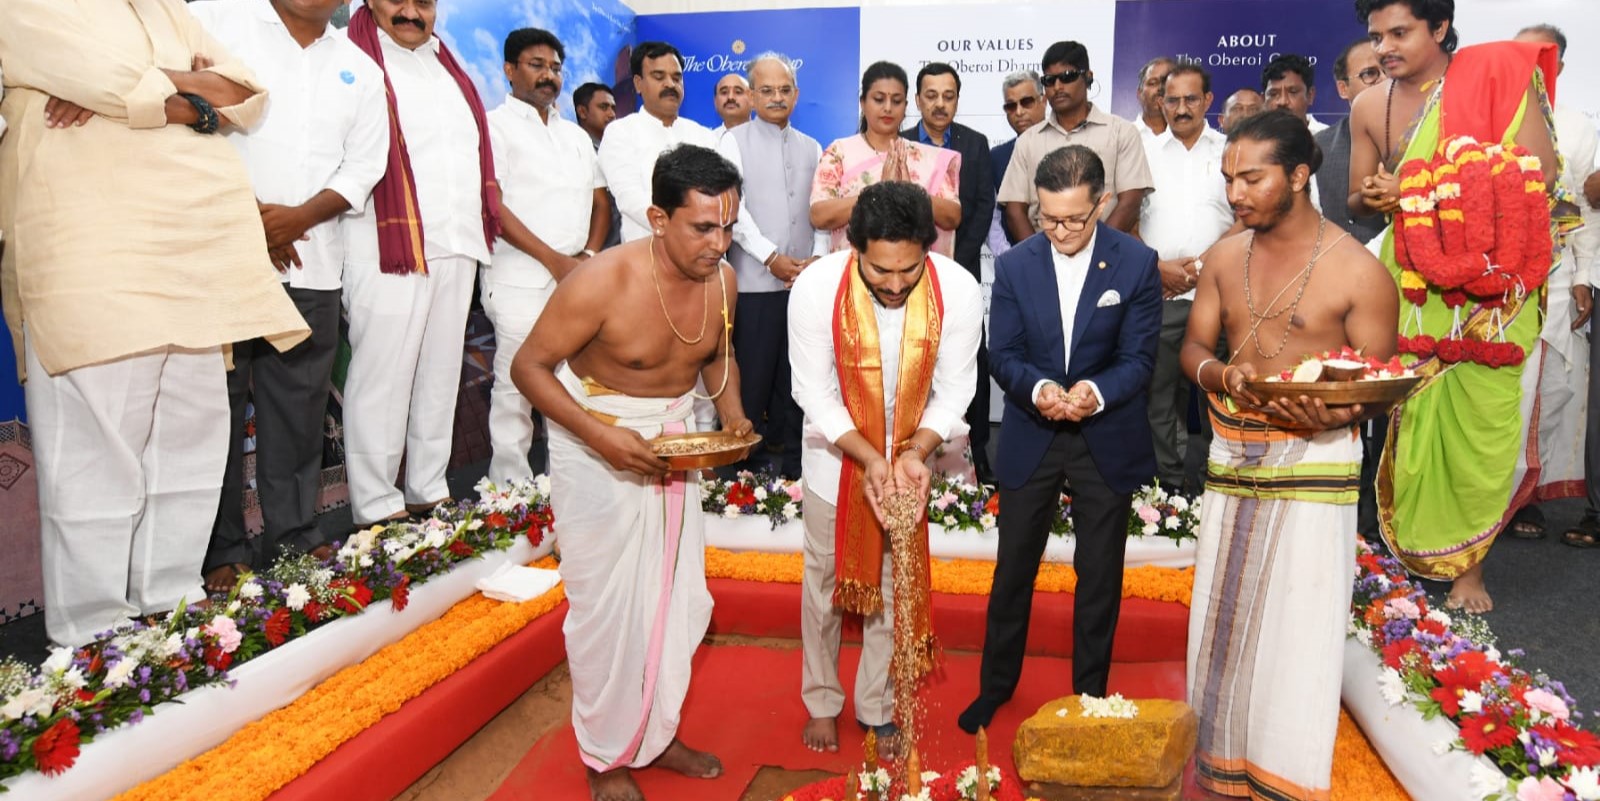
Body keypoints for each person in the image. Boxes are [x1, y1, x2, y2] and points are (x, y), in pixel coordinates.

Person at [0, 0, 310, 646]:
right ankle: (93, 644)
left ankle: (171, 618)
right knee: (96, 451)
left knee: (190, 441)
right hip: (90, 240)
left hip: (197, 245)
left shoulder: (169, 7)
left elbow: (247, 93)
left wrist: (154, 88)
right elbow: (112, 79)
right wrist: (194, 96)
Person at [511, 144, 751, 801]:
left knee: (673, 601)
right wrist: (600, 435)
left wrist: (731, 418)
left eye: (729, 226)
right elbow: (528, 367)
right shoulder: (600, 282)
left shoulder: (723, 279)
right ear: (657, 217)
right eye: (704, 227)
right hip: (596, 441)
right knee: (605, 608)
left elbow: (716, 351)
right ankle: (604, 752)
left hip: (674, 440)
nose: (719, 242)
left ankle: (656, 731)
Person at [1181, 109, 1398, 801]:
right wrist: (1221, 375)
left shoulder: (1358, 271)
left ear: (1300, 175)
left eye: (1251, 177)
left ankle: (1284, 780)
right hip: (1235, 457)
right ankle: (1218, 769)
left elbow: (1381, 385)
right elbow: (1193, 349)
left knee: (1298, 627)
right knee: (1223, 615)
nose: (1235, 192)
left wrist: (1339, 408)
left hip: (1317, 464)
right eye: (1228, 178)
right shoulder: (1223, 254)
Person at [1348, 0, 1561, 613]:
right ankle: (1403, 544)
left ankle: (1469, 565)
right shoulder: (1369, 105)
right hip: (1411, 282)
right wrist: (1379, 194)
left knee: (1484, 425)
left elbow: (1537, 176)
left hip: (1491, 288)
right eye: (1376, 36)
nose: (1385, 47)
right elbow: (1359, 201)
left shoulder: (1492, 77)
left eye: (1400, 32)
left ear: (1439, 28)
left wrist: (1415, 187)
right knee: (1408, 418)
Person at [960, 145, 1162, 734]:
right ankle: (995, 688)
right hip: (1034, 430)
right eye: (1049, 218)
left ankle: (1090, 696)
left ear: (1102, 203)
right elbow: (1004, 354)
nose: (1062, 231)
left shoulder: (1135, 262)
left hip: (1106, 432)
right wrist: (1042, 388)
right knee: (1012, 570)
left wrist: (1094, 393)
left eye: (1075, 218)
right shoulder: (1019, 264)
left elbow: (1140, 358)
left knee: (1100, 574)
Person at [188, 0, 388, 592]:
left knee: (298, 420)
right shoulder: (215, 21)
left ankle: (293, 544)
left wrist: (295, 220)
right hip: (218, 254)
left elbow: (363, 168)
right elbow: (191, 123)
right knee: (211, 417)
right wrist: (249, 221)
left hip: (312, 265)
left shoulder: (361, 69)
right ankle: (220, 550)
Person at [789, 181, 982, 758]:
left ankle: (877, 706)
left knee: (894, 588)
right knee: (825, 586)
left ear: (931, 248)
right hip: (835, 459)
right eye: (880, 272)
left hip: (912, 462)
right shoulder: (817, 287)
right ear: (854, 250)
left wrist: (914, 454)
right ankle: (822, 699)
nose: (896, 285)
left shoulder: (959, 289)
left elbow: (955, 391)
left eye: (909, 270)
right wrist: (871, 457)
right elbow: (813, 392)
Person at [340, 0, 500, 529]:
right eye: (396, 0)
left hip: (456, 241)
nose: (410, 11)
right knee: (382, 375)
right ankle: (375, 502)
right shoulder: (352, 58)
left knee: (439, 375)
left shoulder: (451, 68)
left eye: (424, 2)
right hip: (386, 240)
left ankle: (428, 488)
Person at [482, 28, 610, 486]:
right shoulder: (492, 126)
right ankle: (510, 494)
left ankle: (567, 486)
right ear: (510, 70)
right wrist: (554, 260)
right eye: (536, 65)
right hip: (519, 278)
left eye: (555, 68)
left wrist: (590, 254)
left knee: (573, 388)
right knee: (516, 386)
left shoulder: (575, 136)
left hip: (576, 278)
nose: (548, 76)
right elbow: (493, 206)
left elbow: (600, 200)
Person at [1508, 24, 1600, 545]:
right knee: (1506, 392)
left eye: (1540, 57)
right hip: (1497, 285)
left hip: (1559, 275)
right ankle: (1489, 498)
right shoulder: (1492, 115)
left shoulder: (1576, 126)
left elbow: (1587, 208)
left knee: (1553, 389)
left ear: (1558, 67)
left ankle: (1529, 499)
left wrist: (1585, 276)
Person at [715, 52, 825, 479]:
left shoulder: (813, 146)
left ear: (796, 95)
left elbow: (819, 209)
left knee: (796, 380)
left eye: (784, 90)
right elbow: (733, 210)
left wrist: (814, 257)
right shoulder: (732, 140)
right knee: (754, 378)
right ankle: (740, 476)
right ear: (752, 94)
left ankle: (796, 472)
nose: (776, 97)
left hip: (803, 284)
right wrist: (771, 258)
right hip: (754, 283)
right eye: (766, 90)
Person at [1138, 63, 1235, 493]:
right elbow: (1124, 220)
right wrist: (1157, 266)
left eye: (1190, 99)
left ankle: (1217, 484)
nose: (1180, 109)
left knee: (1218, 393)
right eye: (1172, 100)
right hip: (1160, 292)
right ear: (1161, 102)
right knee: (1160, 397)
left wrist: (1206, 264)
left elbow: (1247, 216)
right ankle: (1169, 489)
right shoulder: (1143, 154)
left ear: (1208, 102)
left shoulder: (1231, 151)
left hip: (1220, 295)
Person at [904, 62, 995, 484]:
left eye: (949, 95)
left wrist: (955, 271)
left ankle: (976, 455)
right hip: (907, 278)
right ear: (918, 99)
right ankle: (914, 452)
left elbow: (979, 209)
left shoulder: (975, 145)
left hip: (961, 274)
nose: (940, 104)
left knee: (967, 362)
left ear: (958, 99)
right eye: (931, 95)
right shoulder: (900, 145)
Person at [998, 41, 1152, 241]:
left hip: (1107, 260)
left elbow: (1130, 203)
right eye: (1049, 80)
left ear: (1088, 77)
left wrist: (1097, 254)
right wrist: (1039, 261)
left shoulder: (1122, 132)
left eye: (1067, 77)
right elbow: (1015, 211)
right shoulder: (1028, 141)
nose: (1058, 87)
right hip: (1045, 259)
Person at [811, 61, 961, 258]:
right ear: (863, 103)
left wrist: (910, 192)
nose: (888, 108)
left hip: (911, 274)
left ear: (906, 106)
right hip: (852, 273)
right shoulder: (840, 152)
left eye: (897, 101)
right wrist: (878, 192)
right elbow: (819, 216)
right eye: (879, 99)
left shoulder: (926, 157)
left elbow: (953, 217)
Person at [601, 42, 718, 244]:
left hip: (705, 253)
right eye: (658, 76)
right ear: (638, 84)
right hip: (647, 257)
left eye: (676, 77)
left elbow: (719, 193)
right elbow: (629, 198)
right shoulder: (620, 132)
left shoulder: (704, 136)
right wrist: (685, 227)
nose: (670, 84)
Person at [1313, 40, 1386, 246]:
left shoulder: (1424, 135)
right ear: (1343, 88)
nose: (1384, 80)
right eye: (1370, 74)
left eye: (1389, 70)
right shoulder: (1319, 146)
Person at [989, 70, 1046, 256]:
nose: (1019, 112)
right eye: (1011, 106)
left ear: (1043, 101)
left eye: (1027, 102)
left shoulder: (1068, 145)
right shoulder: (996, 157)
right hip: (1018, 262)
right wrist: (1012, 260)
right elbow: (993, 220)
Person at [575, 81, 623, 252]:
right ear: (582, 112)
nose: (611, 114)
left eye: (613, 108)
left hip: (621, 250)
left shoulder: (619, 150)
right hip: (589, 255)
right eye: (604, 107)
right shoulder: (572, 150)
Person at [1261, 54, 1327, 134]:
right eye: (1273, 94)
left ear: (1310, 95)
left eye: (1293, 92)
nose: (1283, 101)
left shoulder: (1331, 140)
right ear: (1264, 99)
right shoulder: (1251, 141)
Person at [1132, 56, 1175, 140]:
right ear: (1139, 93)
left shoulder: (1195, 139)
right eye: (1153, 83)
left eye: (1167, 82)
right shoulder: (1123, 136)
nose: (1160, 88)